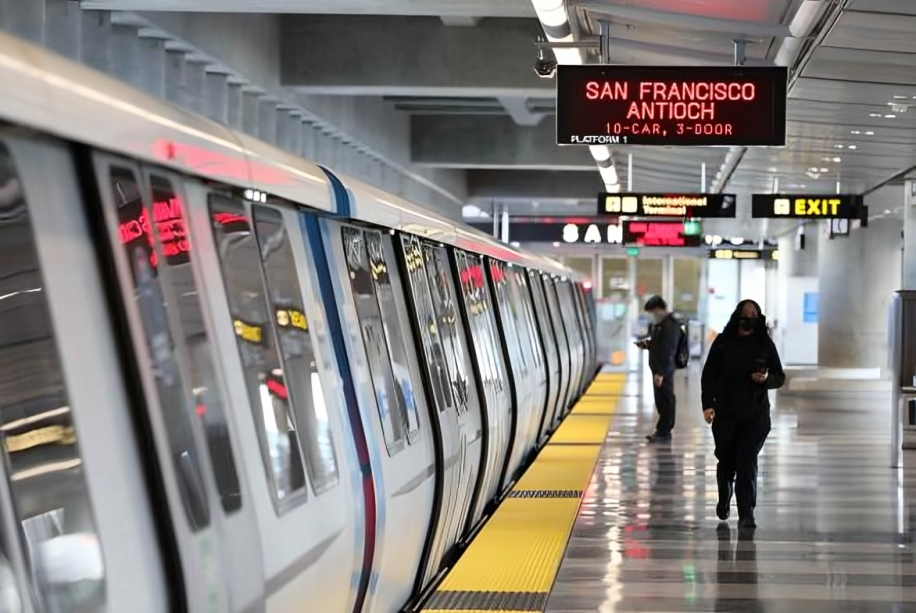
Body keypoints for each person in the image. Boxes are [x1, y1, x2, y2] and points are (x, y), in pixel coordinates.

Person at [701, 299, 785, 530]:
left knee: (747, 462)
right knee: (727, 460)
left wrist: (766, 379)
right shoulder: (723, 342)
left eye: (754, 314)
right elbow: (708, 375)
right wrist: (707, 405)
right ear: (737, 316)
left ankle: (746, 513)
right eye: (746, 313)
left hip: (754, 415)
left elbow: (779, 376)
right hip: (726, 413)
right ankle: (724, 493)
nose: (750, 318)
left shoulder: (764, 343)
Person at [637, 296, 680, 443]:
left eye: (653, 311)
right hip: (657, 369)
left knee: (666, 399)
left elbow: (668, 351)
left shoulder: (670, 326)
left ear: (660, 309)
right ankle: (662, 430)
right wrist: (645, 345)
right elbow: (658, 345)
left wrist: (661, 373)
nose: (652, 315)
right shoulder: (658, 324)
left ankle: (664, 431)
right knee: (660, 399)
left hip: (664, 370)